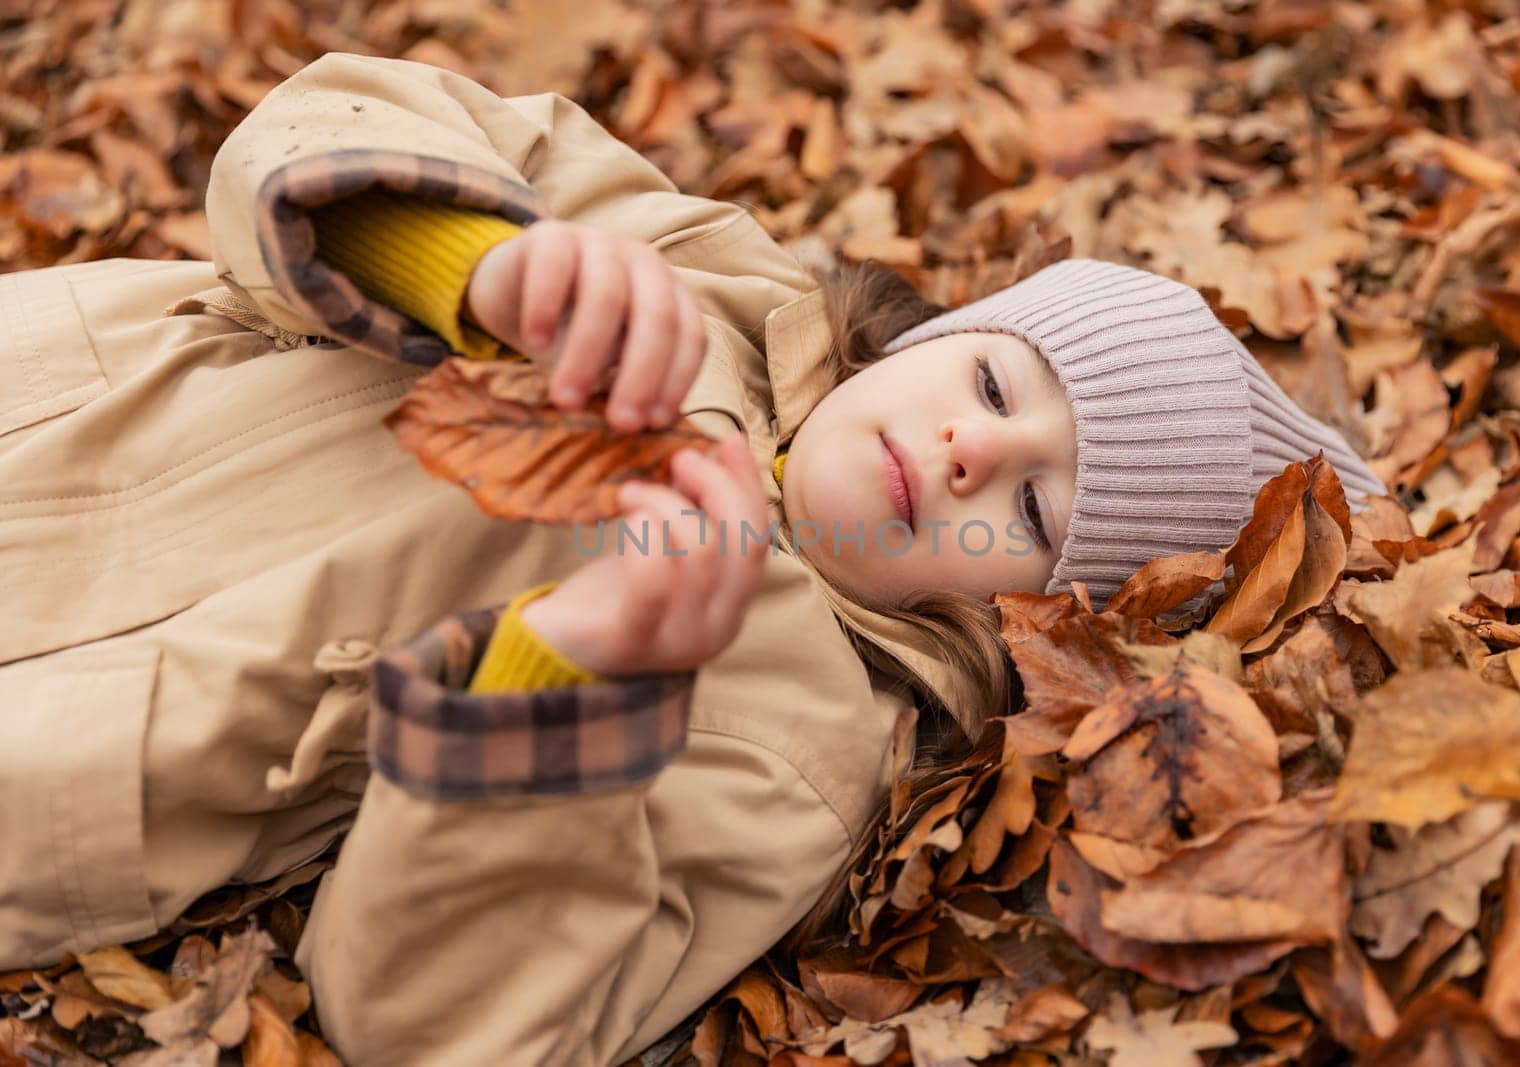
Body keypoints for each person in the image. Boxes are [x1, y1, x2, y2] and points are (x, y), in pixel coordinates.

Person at [0, 52, 1387, 1064]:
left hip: (66, 738)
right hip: (48, 408)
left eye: (1030, 515)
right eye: (994, 385)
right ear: (924, 334)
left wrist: (581, 673)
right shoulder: (705, 271)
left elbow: (449, 1021)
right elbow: (325, 118)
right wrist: (471, 257)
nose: (971, 451)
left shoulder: (801, 738)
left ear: (1033, 627)